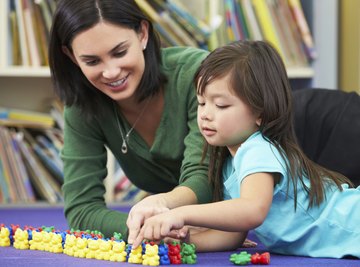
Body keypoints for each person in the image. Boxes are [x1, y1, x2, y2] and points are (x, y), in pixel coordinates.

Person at [132, 40, 360, 259]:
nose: (205, 114)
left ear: (260, 112)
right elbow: (231, 233)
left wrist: (179, 214)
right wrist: (181, 242)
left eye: (220, 105)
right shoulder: (229, 162)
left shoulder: (258, 149)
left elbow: (252, 210)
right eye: (201, 102)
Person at [48, 0, 213, 242]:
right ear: (71, 56)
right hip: (196, 231)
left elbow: (204, 178)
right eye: (92, 61)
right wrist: (150, 229)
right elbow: (81, 210)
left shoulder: (196, 74)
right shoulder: (82, 107)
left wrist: (161, 207)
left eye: (119, 52)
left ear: (143, 34)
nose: (111, 72)